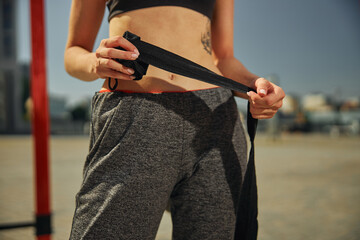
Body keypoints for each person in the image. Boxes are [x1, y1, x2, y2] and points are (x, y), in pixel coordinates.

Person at [64, 0, 285, 239]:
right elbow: (73, 51)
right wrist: (94, 62)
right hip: (135, 116)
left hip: (215, 119)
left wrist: (256, 87)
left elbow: (223, 59)